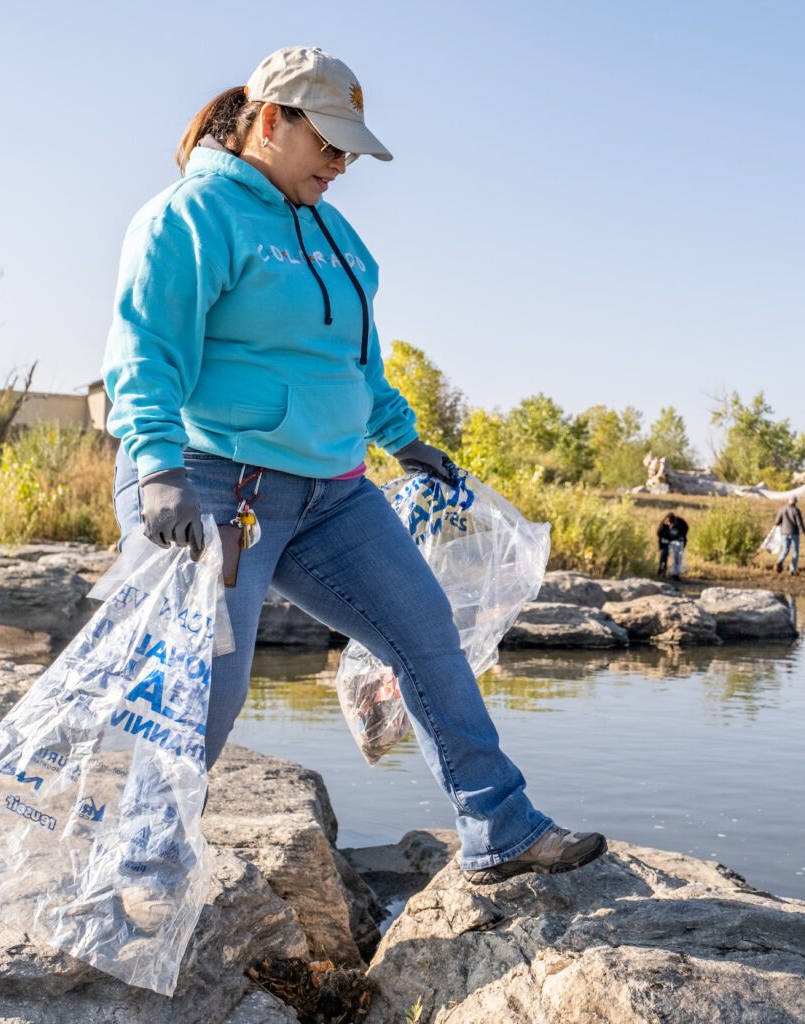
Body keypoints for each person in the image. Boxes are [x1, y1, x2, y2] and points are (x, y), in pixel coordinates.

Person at [101, 47, 605, 885]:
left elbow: (356, 365)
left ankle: (500, 829)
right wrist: (156, 466)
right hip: (211, 483)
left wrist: (400, 436)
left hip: (332, 496)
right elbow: (143, 354)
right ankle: (136, 870)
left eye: (350, 151)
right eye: (328, 144)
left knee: (426, 633)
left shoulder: (342, 241)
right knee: (205, 684)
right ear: (270, 122)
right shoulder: (191, 217)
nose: (341, 165)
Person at [772, 496, 805, 574]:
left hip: (784, 533)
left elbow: (776, 522)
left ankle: (779, 562)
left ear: (788, 501)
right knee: (795, 551)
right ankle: (792, 570)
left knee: (785, 550)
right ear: (796, 502)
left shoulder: (782, 509)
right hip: (794, 533)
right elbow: (800, 523)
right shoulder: (796, 510)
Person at [656, 511, 689, 578]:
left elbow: (686, 529)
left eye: (672, 523)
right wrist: (661, 545)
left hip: (678, 543)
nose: (670, 525)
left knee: (677, 558)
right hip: (667, 543)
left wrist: (681, 537)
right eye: (669, 523)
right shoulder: (663, 524)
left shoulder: (680, 522)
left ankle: (675, 574)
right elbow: (659, 534)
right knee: (664, 555)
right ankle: (662, 571)